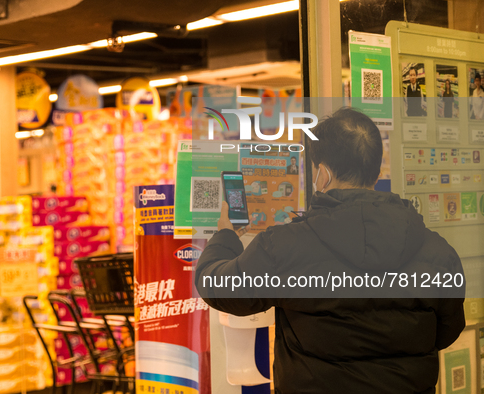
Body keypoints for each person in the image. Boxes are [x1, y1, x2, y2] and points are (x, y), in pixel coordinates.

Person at [195, 107, 465, 394]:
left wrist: (225, 235)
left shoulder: (285, 245)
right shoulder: (437, 252)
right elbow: (447, 332)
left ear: (322, 174)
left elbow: (218, 286)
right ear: (376, 171)